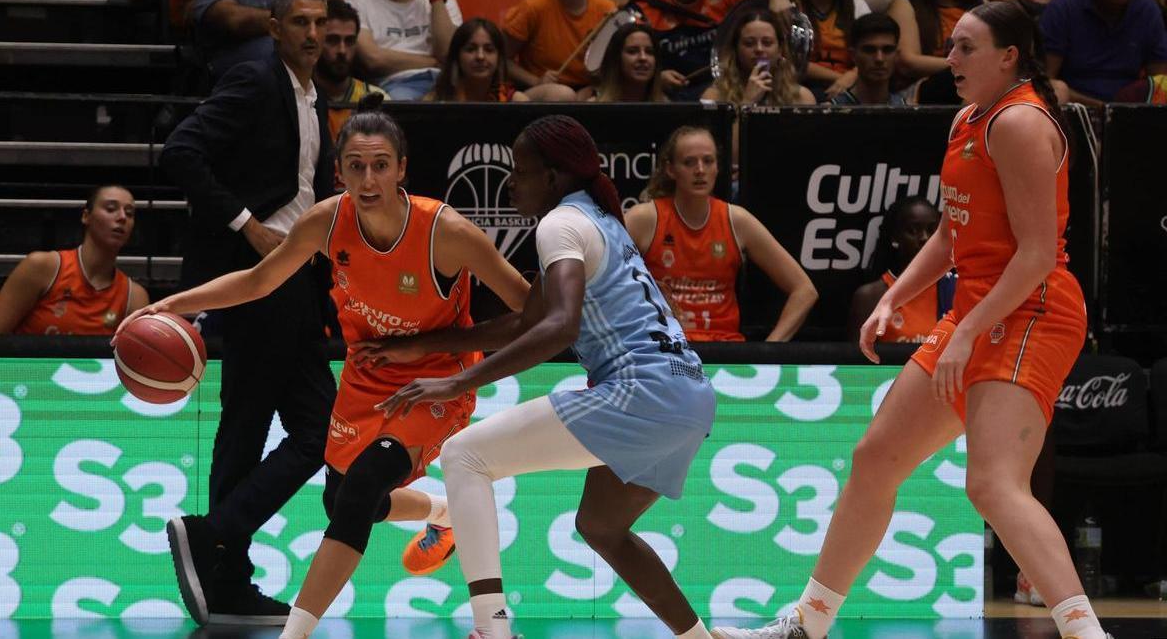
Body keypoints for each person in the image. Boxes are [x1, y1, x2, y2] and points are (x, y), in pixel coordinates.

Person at [712, 0, 1106, 639]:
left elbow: (1035, 256)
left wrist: (967, 331)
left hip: (1032, 308)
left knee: (993, 484)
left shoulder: (1022, 123)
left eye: (965, 47)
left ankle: (1087, 633)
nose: (948, 59)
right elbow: (952, 235)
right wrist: (897, 298)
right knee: (876, 459)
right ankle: (807, 626)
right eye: (949, 45)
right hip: (980, 305)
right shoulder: (966, 121)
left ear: (1009, 56)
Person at [125, 110, 530, 638]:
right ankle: (442, 509)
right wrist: (171, 305)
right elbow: (257, 280)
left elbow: (532, 314)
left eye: (380, 166)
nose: (368, 180)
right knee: (340, 500)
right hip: (367, 379)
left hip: (435, 380)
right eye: (356, 166)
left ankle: (295, 634)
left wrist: (430, 347)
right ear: (338, 171)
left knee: (361, 489)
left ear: (401, 169)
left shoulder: (445, 232)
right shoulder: (326, 221)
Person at [369, 115, 717, 639]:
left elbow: (559, 327)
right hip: (691, 396)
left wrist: (458, 383)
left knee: (464, 456)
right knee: (601, 527)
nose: (511, 181)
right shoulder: (600, 221)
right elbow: (524, 322)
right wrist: (418, 346)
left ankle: (493, 630)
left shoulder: (560, 225)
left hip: (641, 391)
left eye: (520, 170)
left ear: (553, 177)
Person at [157, 0, 344, 625]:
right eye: (300, 22)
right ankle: (221, 551)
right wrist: (246, 223)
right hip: (258, 275)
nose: (313, 34)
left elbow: (305, 196)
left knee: (298, 428)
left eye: (321, 23)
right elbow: (181, 149)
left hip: (293, 281)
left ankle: (222, 555)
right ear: (274, 26)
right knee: (272, 425)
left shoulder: (311, 96)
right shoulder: (255, 79)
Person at [626, 126, 817, 342]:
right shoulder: (644, 218)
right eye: (689, 162)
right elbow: (601, 282)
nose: (700, 170)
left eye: (708, 161)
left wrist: (769, 352)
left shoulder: (737, 220)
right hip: (663, 348)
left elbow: (804, 290)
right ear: (671, 169)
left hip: (725, 352)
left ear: (717, 168)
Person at [0, 185, 149, 335]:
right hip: (29, 372)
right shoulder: (42, 267)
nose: (122, 217)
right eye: (111, 209)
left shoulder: (134, 297)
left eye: (129, 213)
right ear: (86, 216)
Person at [630, 0, 775, 100]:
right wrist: (655, 78)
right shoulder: (643, 9)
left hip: (727, 94)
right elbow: (619, 65)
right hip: (670, 101)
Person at [1040, 0, 1167, 106]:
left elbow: (1160, 84)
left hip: (1130, 112)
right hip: (1072, 109)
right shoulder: (1064, 7)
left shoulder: (1148, 11)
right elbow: (1044, 82)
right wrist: (1101, 108)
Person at [346, 0, 462, 100]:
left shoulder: (443, 2)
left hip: (445, 83)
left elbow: (448, 53)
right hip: (393, 86)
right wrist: (434, 62)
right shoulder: (356, 4)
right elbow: (373, 59)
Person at [502, 0, 617, 97]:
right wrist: (536, 81)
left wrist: (593, 87)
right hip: (544, 90)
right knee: (562, 94)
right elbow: (502, 59)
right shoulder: (533, 8)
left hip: (588, 89)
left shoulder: (606, 9)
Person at [847, 196, 952, 341]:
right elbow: (857, 360)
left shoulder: (955, 288)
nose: (924, 238)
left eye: (931, 230)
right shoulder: (870, 296)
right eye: (913, 230)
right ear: (895, 236)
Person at [191, 0, 323, 79]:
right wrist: (291, 21)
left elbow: (330, 12)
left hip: (310, 85)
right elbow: (233, 19)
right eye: (299, 21)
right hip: (244, 89)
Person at [888, 0, 982, 80]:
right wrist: (968, 66)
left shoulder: (979, 7)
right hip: (924, 87)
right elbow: (907, 62)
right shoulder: (906, 5)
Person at [315, 0, 389, 143]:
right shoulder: (299, 95)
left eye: (349, 41)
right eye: (332, 40)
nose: (342, 50)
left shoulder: (377, 98)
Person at [702, 11, 817, 104]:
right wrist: (748, 101)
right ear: (735, 50)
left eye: (767, 43)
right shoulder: (713, 97)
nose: (759, 49)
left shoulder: (802, 97)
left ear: (780, 50)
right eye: (749, 43)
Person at [795, 0, 873, 97]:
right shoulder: (791, 7)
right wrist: (842, 78)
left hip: (851, 90)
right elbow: (791, 62)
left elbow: (873, 53)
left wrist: (853, 75)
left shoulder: (858, 6)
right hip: (803, 90)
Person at [427, 18, 531, 101]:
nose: (480, 56)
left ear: (499, 58)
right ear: (456, 56)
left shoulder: (515, 101)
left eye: (489, 50)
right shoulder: (436, 101)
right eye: (471, 49)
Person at [577, 22, 670, 101]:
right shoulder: (593, 107)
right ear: (616, 59)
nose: (643, 58)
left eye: (649, 52)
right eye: (632, 51)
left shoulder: (667, 108)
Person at [828, 12, 909, 103]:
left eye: (887, 50)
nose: (879, 59)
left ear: (896, 55)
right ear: (853, 55)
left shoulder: (909, 112)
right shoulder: (831, 112)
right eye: (869, 50)